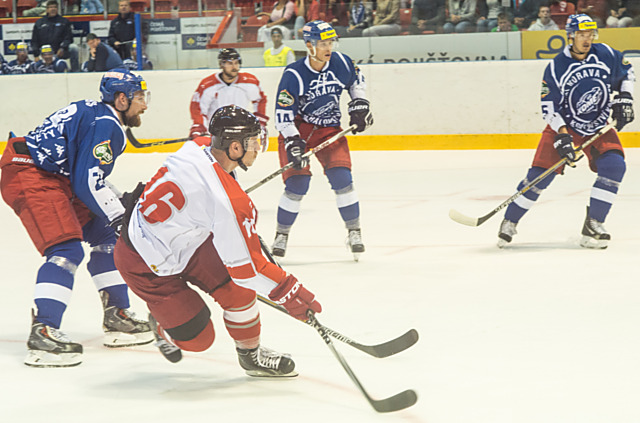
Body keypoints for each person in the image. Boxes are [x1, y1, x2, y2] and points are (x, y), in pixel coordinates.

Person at [113, 105, 322, 376]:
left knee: (238, 291)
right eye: (253, 142)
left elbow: (213, 182)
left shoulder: (198, 146)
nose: (258, 148)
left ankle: (251, 356)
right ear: (234, 148)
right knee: (199, 340)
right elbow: (249, 269)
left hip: (189, 240)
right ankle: (163, 324)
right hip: (143, 259)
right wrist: (289, 292)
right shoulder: (228, 202)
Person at [0, 69, 153, 367]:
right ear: (121, 99)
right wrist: (120, 216)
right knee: (65, 249)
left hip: (54, 176)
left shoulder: (98, 113)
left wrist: (118, 208)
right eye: (139, 97)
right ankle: (43, 332)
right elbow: (86, 181)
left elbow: (85, 174)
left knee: (107, 237)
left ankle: (117, 315)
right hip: (32, 174)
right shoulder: (107, 124)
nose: (144, 105)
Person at [497, 14, 635, 250]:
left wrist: (625, 98)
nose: (586, 39)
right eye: (581, 35)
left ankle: (594, 224)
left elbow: (627, 73)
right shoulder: (556, 67)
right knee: (540, 177)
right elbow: (549, 106)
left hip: (599, 125)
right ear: (570, 36)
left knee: (615, 166)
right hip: (566, 126)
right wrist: (562, 135)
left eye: (589, 34)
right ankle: (510, 220)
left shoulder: (606, 54)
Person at [271, 21, 373, 259]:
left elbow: (357, 81)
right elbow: (282, 115)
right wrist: (293, 142)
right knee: (297, 185)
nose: (328, 48)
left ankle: (354, 231)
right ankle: (281, 234)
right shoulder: (294, 74)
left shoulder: (341, 62)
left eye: (331, 42)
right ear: (309, 45)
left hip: (329, 130)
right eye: (323, 43)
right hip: (299, 131)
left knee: (343, 180)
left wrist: (359, 106)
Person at [189, 48, 268, 141]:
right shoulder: (208, 85)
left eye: (236, 63)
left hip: (240, 130)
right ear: (221, 64)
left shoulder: (250, 82)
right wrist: (199, 126)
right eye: (230, 63)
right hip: (216, 132)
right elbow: (197, 108)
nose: (234, 67)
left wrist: (259, 121)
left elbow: (260, 100)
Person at [31, 0, 79, 72]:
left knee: (73, 48)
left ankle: (75, 72)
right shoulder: (39, 23)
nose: (53, 9)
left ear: (57, 9)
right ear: (47, 9)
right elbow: (34, 40)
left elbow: (69, 38)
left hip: (59, 51)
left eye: (55, 7)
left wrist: (62, 48)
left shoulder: (64, 21)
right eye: (50, 7)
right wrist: (36, 55)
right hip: (44, 52)